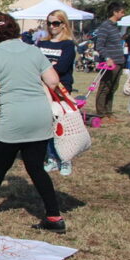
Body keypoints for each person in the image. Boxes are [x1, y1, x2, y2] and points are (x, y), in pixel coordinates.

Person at [0, 13, 65, 233]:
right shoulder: (34, 50)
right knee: (36, 168)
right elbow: (53, 80)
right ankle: (54, 216)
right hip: (40, 115)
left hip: (13, 117)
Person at [37, 10, 77, 175]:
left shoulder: (68, 44)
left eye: (56, 23)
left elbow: (62, 67)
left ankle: (66, 159)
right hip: (41, 87)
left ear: (63, 24)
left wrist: (45, 71)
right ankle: (52, 157)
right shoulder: (41, 43)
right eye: (49, 23)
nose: (52, 27)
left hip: (60, 89)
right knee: (47, 124)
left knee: (61, 125)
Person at [95, 1, 127, 122]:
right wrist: (108, 58)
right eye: (122, 12)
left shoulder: (115, 27)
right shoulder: (105, 26)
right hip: (110, 63)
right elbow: (99, 45)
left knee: (113, 88)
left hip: (119, 61)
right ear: (115, 12)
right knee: (105, 88)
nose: (123, 14)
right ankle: (101, 113)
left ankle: (109, 112)